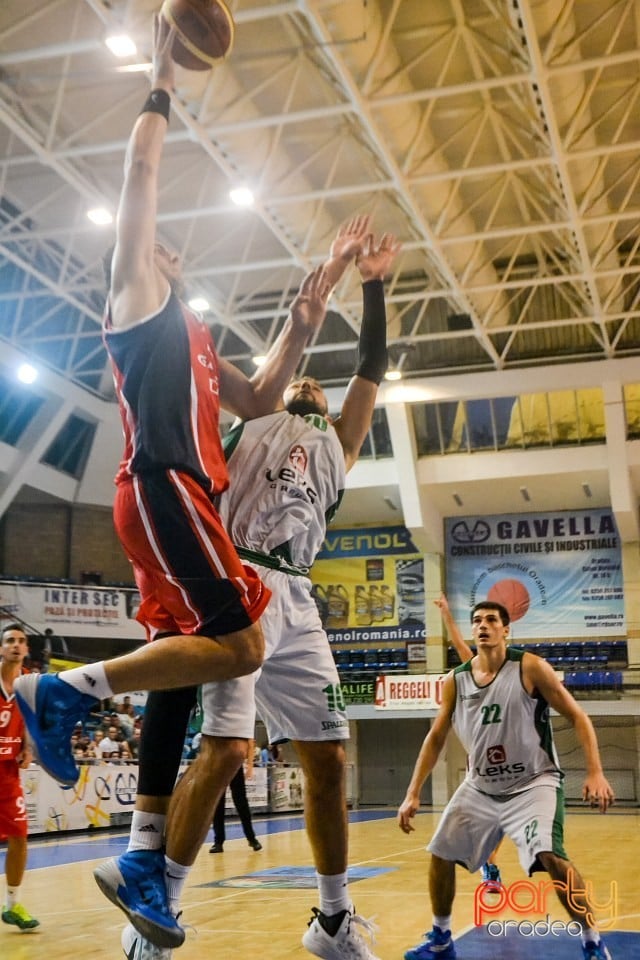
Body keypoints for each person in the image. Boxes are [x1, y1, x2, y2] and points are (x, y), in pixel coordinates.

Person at [14, 9, 334, 952]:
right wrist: (162, 78)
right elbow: (140, 176)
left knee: (182, 674)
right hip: (162, 486)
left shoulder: (192, 334)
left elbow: (267, 390)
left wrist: (304, 323)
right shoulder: (134, 302)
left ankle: (147, 866)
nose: (163, 249)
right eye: (149, 246)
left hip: (177, 497)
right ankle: (63, 689)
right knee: (237, 648)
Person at [398, 600, 615, 960]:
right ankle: (441, 939)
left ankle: (592, 940)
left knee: (551, 857)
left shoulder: (530, 667)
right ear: (473, 630)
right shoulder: (455, 680)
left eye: (491, 620)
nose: (483, 625)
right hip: (480, 787)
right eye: (477, 620)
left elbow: (578, 716)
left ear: (505, 629)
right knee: (439, 852)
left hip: (533, 783)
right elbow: (435, 738)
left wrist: (595, 771)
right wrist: (412, 793)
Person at [434, 593, 502, 887]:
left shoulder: (515, 674)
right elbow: (462, 646)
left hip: (512, 764)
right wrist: (447, 614)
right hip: (480, 763)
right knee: (483, 823)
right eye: (479, 621)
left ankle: (490, 862)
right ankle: (489, 865)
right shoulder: (472, 673)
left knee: (501, 825)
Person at [0, 624, 40, 931]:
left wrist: (27, 746)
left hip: (9, 773)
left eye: (21, 641)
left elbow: (28, 718)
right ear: (1, 648)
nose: (16, 645)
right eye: (10, 640)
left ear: (26, 649)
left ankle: (12, 904)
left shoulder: (29, 683)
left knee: (20, 837)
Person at [209, 752, 262, 853]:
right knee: (218, 804)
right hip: (218, 763)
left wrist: (250, 766)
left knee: (241, 803)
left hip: (235, 763)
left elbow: (250, 742)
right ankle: (218, 842)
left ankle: (252, 839)